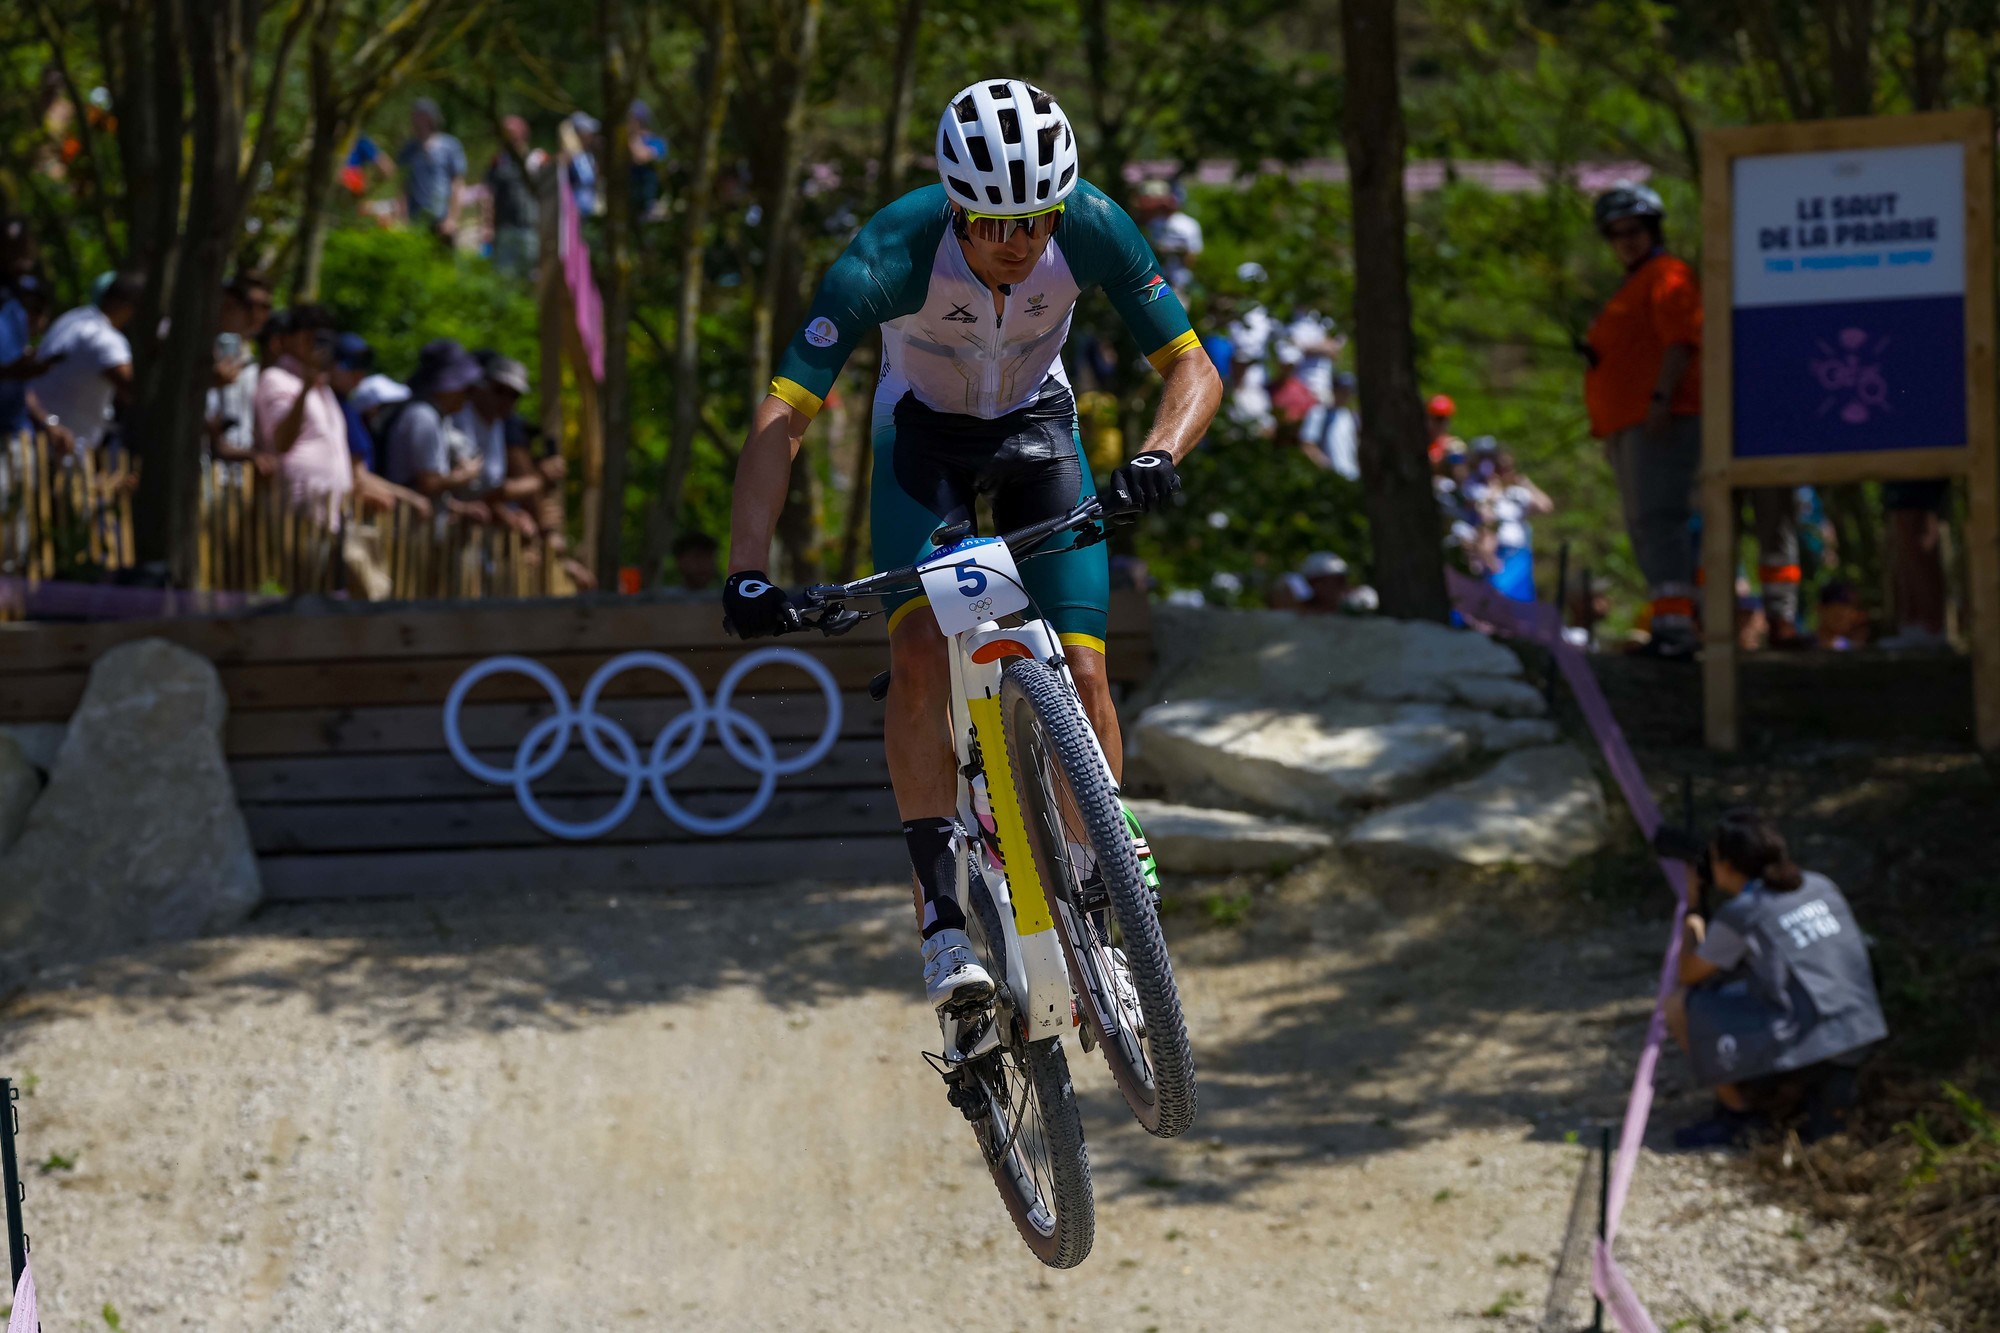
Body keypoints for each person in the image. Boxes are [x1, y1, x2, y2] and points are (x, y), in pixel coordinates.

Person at [722, 79, 1221, 1014]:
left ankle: (1101, 901)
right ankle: (942, 920)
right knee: (917, 648)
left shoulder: (1093, 226)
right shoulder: (890, 253)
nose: (1017, 243)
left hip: (1040, 431)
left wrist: (1159, 452)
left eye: (1035, 221)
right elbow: (785, 414)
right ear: (956, 205)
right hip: (922, 446)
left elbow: (1191, 363)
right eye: (993, 223)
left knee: (1084, 665)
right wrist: (748, 569)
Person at [1661, 809, 1887, 1147]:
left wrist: (1693, 911)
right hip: (1861, 1027)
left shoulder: (1743, 912)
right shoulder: (1819, 884)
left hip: (1815, 1040)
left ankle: (1739, 1114)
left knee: (1679, 1005)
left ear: (1727, 865)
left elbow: (1690, 972)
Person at [1582, 182, 1706, 659]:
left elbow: (1681, 341)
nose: (1626, 241)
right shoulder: (1631, 284)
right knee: (1643, 523)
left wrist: (1661, 398)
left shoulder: (1667, 275)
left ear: (1653, 229)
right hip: (1627, 424)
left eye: (1634, 230)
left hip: (1662, 418)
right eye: (1616, 234)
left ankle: (1677, 628)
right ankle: (1669, 619)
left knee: (1662, 519)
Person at [252, 304, 354, 514]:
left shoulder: (323, 387)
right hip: (296, 508)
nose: (317, 346)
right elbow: (281, 442)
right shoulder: (276, 378)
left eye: (323, 339)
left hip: (330, 509)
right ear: (288, 339)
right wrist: (306, 388)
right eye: (309, 337)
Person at [27, 270, 143, 453]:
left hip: (37, 432)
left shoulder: (71, 319)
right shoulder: (104, 338)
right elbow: (136, 392)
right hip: (60, 445)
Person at [383, 339, 490, 516]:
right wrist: (465, 476)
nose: (468, 396)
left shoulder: (434, 416)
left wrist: (460, 508)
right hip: (404, 524)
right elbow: (428, 483)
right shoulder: (424, 417)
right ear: (447, 388)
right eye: (466, 388)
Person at [1879, 481, 1950, 651]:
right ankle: (1913, 628)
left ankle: (1929, 629)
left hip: (1918, 501)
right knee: (1905, 568)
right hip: (1903, 500)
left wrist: (1931, 511)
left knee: (1921, 567)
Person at [1480, 448, 1553, 603]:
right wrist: (1494, 488)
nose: (1506, 472)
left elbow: (1546, 506)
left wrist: (1527, 484)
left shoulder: (1519, 493)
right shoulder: (1487, 493)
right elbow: (1486, 518)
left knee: (1520, 597)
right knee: (1500, 594)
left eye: (1509, 468)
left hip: (1519, 552)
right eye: (1501, 468)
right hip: (1499, 553)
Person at [485, 116, 546, 278]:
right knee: (505, 278)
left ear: (523, 133)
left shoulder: (537, 160)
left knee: (531, 278)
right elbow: (488, 195)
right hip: (505, 229)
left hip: (531, 229)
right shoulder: (498, 162)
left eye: (511, 132)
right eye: (504, 133)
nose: (508, 136)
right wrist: (487, 226)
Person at [397, 98, 467, 237]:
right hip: (416, 219)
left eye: (423, 115)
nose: (419, 120)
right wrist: (403, 219)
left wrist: (452, 219)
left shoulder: (450, 146)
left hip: (442, 218)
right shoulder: (408, 149)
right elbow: (403, 186)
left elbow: (458, 183)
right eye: (416, 115)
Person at [1131, 178, 1202, 296]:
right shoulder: (1153, 221)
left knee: (1173, 303)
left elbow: (1192, 256)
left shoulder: (1188, 224)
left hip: (1177, 281)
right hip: (1153, 279)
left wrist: (1173, 252)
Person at [1302, 369, 1359, 480]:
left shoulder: (1350, 417)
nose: (1345, 395)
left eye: (1348, 391)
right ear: (1334, 390)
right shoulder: (1319, 413)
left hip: (1352, 476)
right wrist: (1326, 467)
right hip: (1331, 478)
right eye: (1341, 390)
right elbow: (1307, 445)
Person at [627, 100, 668, 222]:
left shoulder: (657, 142)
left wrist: (633, 137)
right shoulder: (624, 141)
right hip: (626, 202)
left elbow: (640, 157)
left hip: (648, 206)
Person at [1424, 393, 1462, 467]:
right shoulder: (1414, 443)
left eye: (1445, 419)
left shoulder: (1451, 446)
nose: (1442, 425)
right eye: (1438, 419)